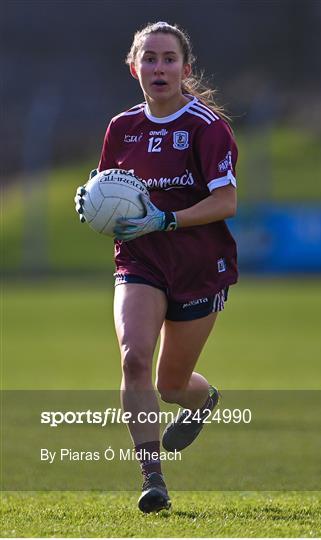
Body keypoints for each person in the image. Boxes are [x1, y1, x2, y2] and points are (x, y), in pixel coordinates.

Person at [75, 21, 238, 513]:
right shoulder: (121, 129)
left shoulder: (206, 127)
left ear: (185, 69)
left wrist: (166, 219)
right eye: (150, 58)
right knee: (134, 360)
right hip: (139, 260)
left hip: (197, 266)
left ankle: (203, 399)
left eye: (169, 59)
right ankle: (153, 479)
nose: (159, 67)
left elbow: (226, 201)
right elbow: (111, 190)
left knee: (170, 385)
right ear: (134, 68)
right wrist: (93, 201)